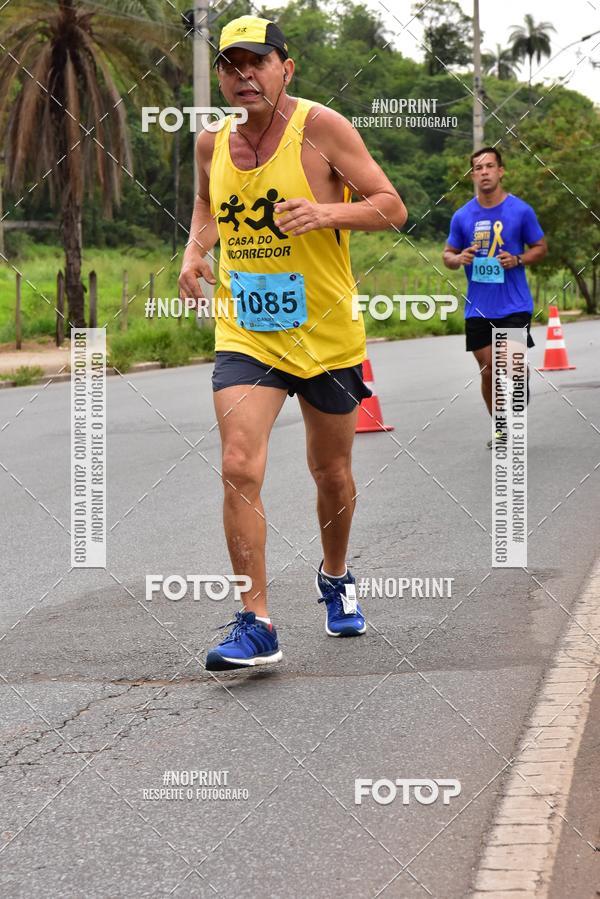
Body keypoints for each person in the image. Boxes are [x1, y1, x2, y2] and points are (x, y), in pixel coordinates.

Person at [178, 15, 407, 669]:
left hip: (327, 337)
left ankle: (335, 575)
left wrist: (327, 212)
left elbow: (392, 206)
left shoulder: (323, 129)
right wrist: (195, 252)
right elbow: (205, 205)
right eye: (230, 64)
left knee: (330, 473)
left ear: (287, 66)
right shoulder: (209, 143)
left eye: (257, 61)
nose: (243, 74)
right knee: (240, 462)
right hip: (247, 331)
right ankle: (257, 621)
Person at [442, 147, 547, 446]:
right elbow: (447, 255)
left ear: (501, 171)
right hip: (479, 307)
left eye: (490, 166)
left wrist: (519, 259)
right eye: (478, 167)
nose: (484, 171)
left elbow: (540, 247)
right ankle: (501, 428)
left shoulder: (521, 211)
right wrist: (459, 257)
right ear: (473, 174)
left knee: (509, 366)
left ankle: (519, 378)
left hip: (514, 303)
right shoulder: (463, 216)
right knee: (489, 370)